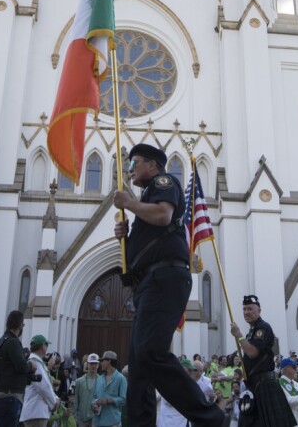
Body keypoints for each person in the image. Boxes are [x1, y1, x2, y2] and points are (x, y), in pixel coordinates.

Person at [112, 142, 225, 427]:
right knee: (138, 371)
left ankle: (211, 418)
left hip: (165, 279)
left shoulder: (164, 182)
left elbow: (163, 216)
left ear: (152, 165)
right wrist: (125, 236)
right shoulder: (145, 201)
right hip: (148, 283)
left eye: (134, 163)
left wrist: (129, 204)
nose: (130, 169)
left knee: (151, 353)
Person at [229, 295, 294, 427]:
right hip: (253, 385)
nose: (246, 312)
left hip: (264, 385)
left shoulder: (263, 328)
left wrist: (239, 335)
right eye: (244, 309)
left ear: (259, 311)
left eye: (250, 309)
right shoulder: (252, 331)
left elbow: (252, 352)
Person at [0, 311, 34, 427]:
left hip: (1, 394)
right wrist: (31, 366)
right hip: (9, 396)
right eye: (23, 325)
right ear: (19, 325)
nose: (22, 328)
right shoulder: (12, 342)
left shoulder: (3, 339)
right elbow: (21, 366)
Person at [18, 335, 58, 427]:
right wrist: (54, 402)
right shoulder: (35, 363)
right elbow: (44, 386)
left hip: (34, 412)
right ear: (42, 346)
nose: (47, 348)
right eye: (46, 345)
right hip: (36, 412)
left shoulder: (35, 362)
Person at [90, 352, 125, 427]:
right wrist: (94, 405)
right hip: (96, 422)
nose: (101, 363)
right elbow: (94, 397)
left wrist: (107, 401)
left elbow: (124, 399)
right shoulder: (99, 379)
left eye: (103, 360)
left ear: (109, 361)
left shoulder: (120, 378)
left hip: (112, 422)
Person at [71, 355, 100, 427]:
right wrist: (75, 418)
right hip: (81, 419)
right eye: (91, 363)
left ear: (98, 365)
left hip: (96, 418)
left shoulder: (102, 381)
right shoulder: (79, 381)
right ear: (87, 364)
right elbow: (75, 400)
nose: (93, 366)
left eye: (95, 363)